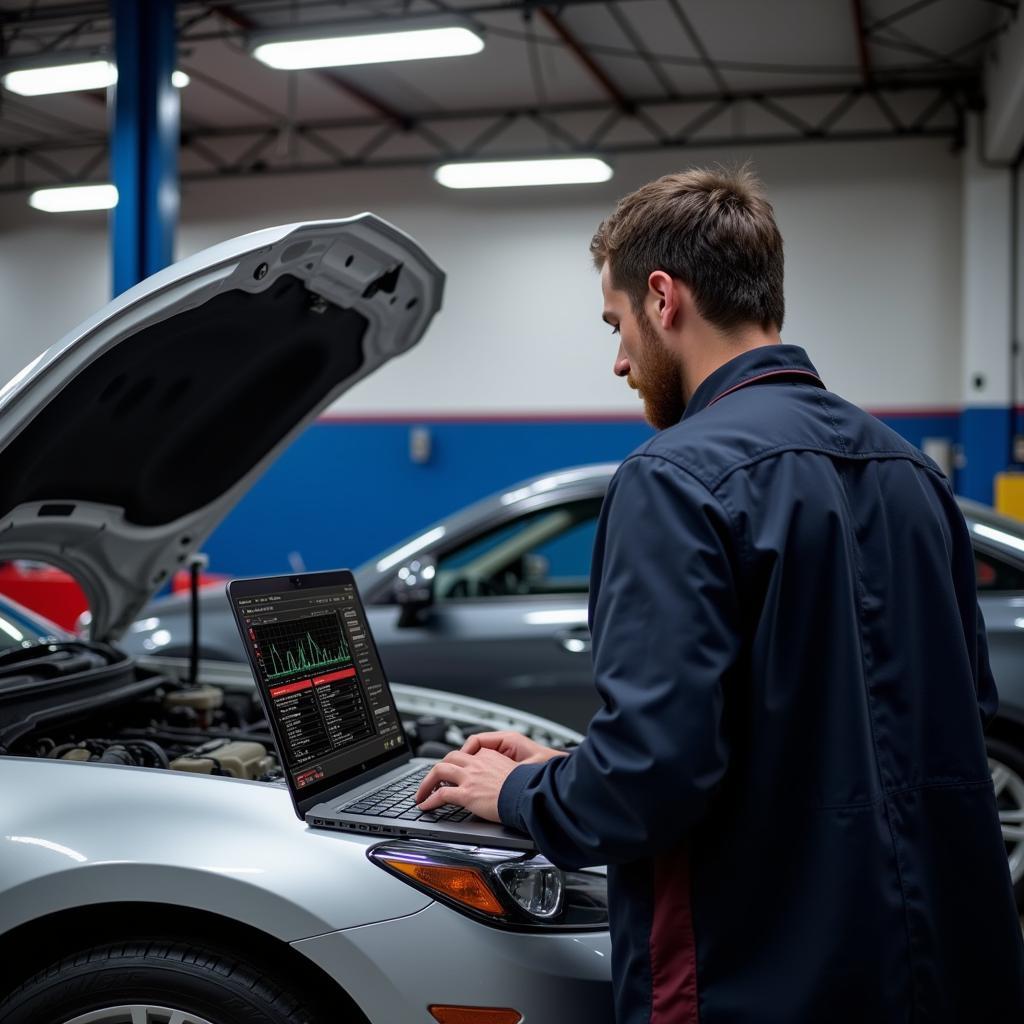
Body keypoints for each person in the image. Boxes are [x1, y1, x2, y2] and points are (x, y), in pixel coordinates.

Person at [415, 166, 1024, 1023]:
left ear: (663, 299)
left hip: (756, 976)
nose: (621, 360)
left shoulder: (674, 480)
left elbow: (652, 781)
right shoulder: (910, 471)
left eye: (617, 324)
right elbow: (931, 721)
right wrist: (569, 770)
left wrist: (518, 796)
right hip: (935, 971)